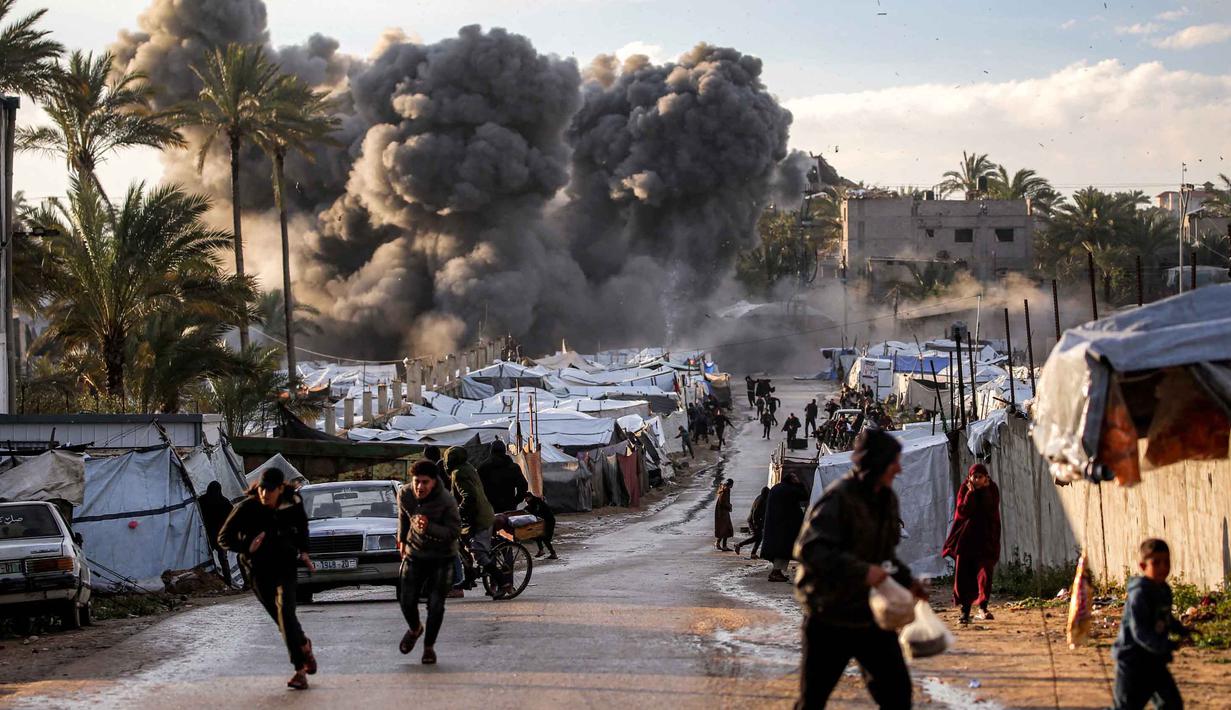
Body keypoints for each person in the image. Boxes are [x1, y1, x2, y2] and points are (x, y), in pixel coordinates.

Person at [793, 428, 926, 709]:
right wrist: (862, 571)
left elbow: (884, 555)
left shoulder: (886, 500)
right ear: (877, 463)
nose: (899, 469)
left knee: (898, 696)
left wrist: (907, 580)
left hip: (870, 616)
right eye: (894, 462)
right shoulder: (838, 499)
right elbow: (810, 550)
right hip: (829, 615)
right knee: (812, 702)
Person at [217, 467, 317, 690]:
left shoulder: (293, 502)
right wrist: (246, 545)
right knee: (282, 621)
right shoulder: (246, 507)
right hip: (258, 571)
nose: (265, 495)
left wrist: (304, 551)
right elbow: (223, 537)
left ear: (281, 488)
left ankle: (299, 671)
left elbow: (302, 527)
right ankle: (303, 644)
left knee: (286, 614)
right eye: (262, 489)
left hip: (285, 567)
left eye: (270, 491)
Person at [396, 460, 461, 665]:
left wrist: (429, 527)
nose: (420, 487)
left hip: (442, 557)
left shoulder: (446, 501)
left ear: (434, 482)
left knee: (435, 605)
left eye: (425, 482)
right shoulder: (405, 494)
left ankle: (428, 647)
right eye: (416, 481)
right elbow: (403, 519)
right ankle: (415, 629)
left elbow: (454, 532)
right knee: (406, 599)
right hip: (414, 554)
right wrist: (401, 541)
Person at [1112, 538, 1189, 710]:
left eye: (1166, 562)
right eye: (1156, 563)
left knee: (1172, 705)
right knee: (1125, 707)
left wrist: (1182, 630)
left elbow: (1165, 617)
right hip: (1132, 663)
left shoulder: (1164, 590)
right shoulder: (1139, 593)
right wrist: (1166, 645)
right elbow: (1139, 631)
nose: (1163, 567)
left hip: (1154, 662)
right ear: (1142, 566)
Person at [942, 463, 1002, 624]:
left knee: (985, 574)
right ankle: (965, 612)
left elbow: (990, 509)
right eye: (973, 477)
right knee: (964, 577)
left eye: (979, 477)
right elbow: (962, 512)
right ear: (969, 477)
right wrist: (971, 493)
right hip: (966, 541)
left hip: (986, 540)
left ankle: (983, 607)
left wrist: (983, 492)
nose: (976, 480)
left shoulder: (992, 489)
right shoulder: (964, 489)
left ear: (986, 478)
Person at [446, 446, 496, 592]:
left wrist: (457, 512)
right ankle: (468, 579)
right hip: (482, 512)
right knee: (463, 545)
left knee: (478, 554)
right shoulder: (468, 467)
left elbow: (469, 497)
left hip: (478, 516)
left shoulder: (459, 472)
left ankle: (501, 579)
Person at [760, 471, 808, 582]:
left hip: (774, 525)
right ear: (792, 480)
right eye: (795, 478)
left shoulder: (776, 488)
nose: (797, 479)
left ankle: (777, 572)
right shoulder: (790, 490)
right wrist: (800, 484)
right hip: (785, 527)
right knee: (783, 550)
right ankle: (775, 573)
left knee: (779, 550)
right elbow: (804, 496)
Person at [477, 440, 529, 515]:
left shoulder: (482, 468)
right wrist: (516, 501)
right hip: (508, 506)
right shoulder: (513, 467)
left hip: (490, 507)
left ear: (491, 451)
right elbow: (523, 486)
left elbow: (477, 488)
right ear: (504, 451)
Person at [198, 481, 235, 586]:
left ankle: (210, 581)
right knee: (223, 559)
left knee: (206, 559)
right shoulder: (224, 501)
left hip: (208, 535)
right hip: (220, 536)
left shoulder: (202, 500)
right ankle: (228, 582)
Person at [733, 486, 769, 558]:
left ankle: (753, 553)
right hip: (754, 521)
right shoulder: (761, 500)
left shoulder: (761, 498)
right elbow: (755, 512)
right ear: (766, 493)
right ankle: (739, 545)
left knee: (759, 537)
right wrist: (755, 523)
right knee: (756, 537)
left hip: (756, 521)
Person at [521, 492, 557, 559]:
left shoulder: (537, 502)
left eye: (526, 498)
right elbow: (529, 509)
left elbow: (536, 511)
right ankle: (541, 550)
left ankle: (553, 553)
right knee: (538, 535)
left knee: (545, 538)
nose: (525, 500)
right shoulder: (533, 502)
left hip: (549, 521)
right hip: (542, 521)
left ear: (530, 497)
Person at [714, 479, 734, 551]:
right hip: (722, 512)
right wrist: (729, 506)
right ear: (730, 484)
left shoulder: (725, 489)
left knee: (725, 529)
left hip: (723, 511)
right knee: (725, 528)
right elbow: (722, 502)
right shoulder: (726, 490)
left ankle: (720, 543)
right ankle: (721, 544)